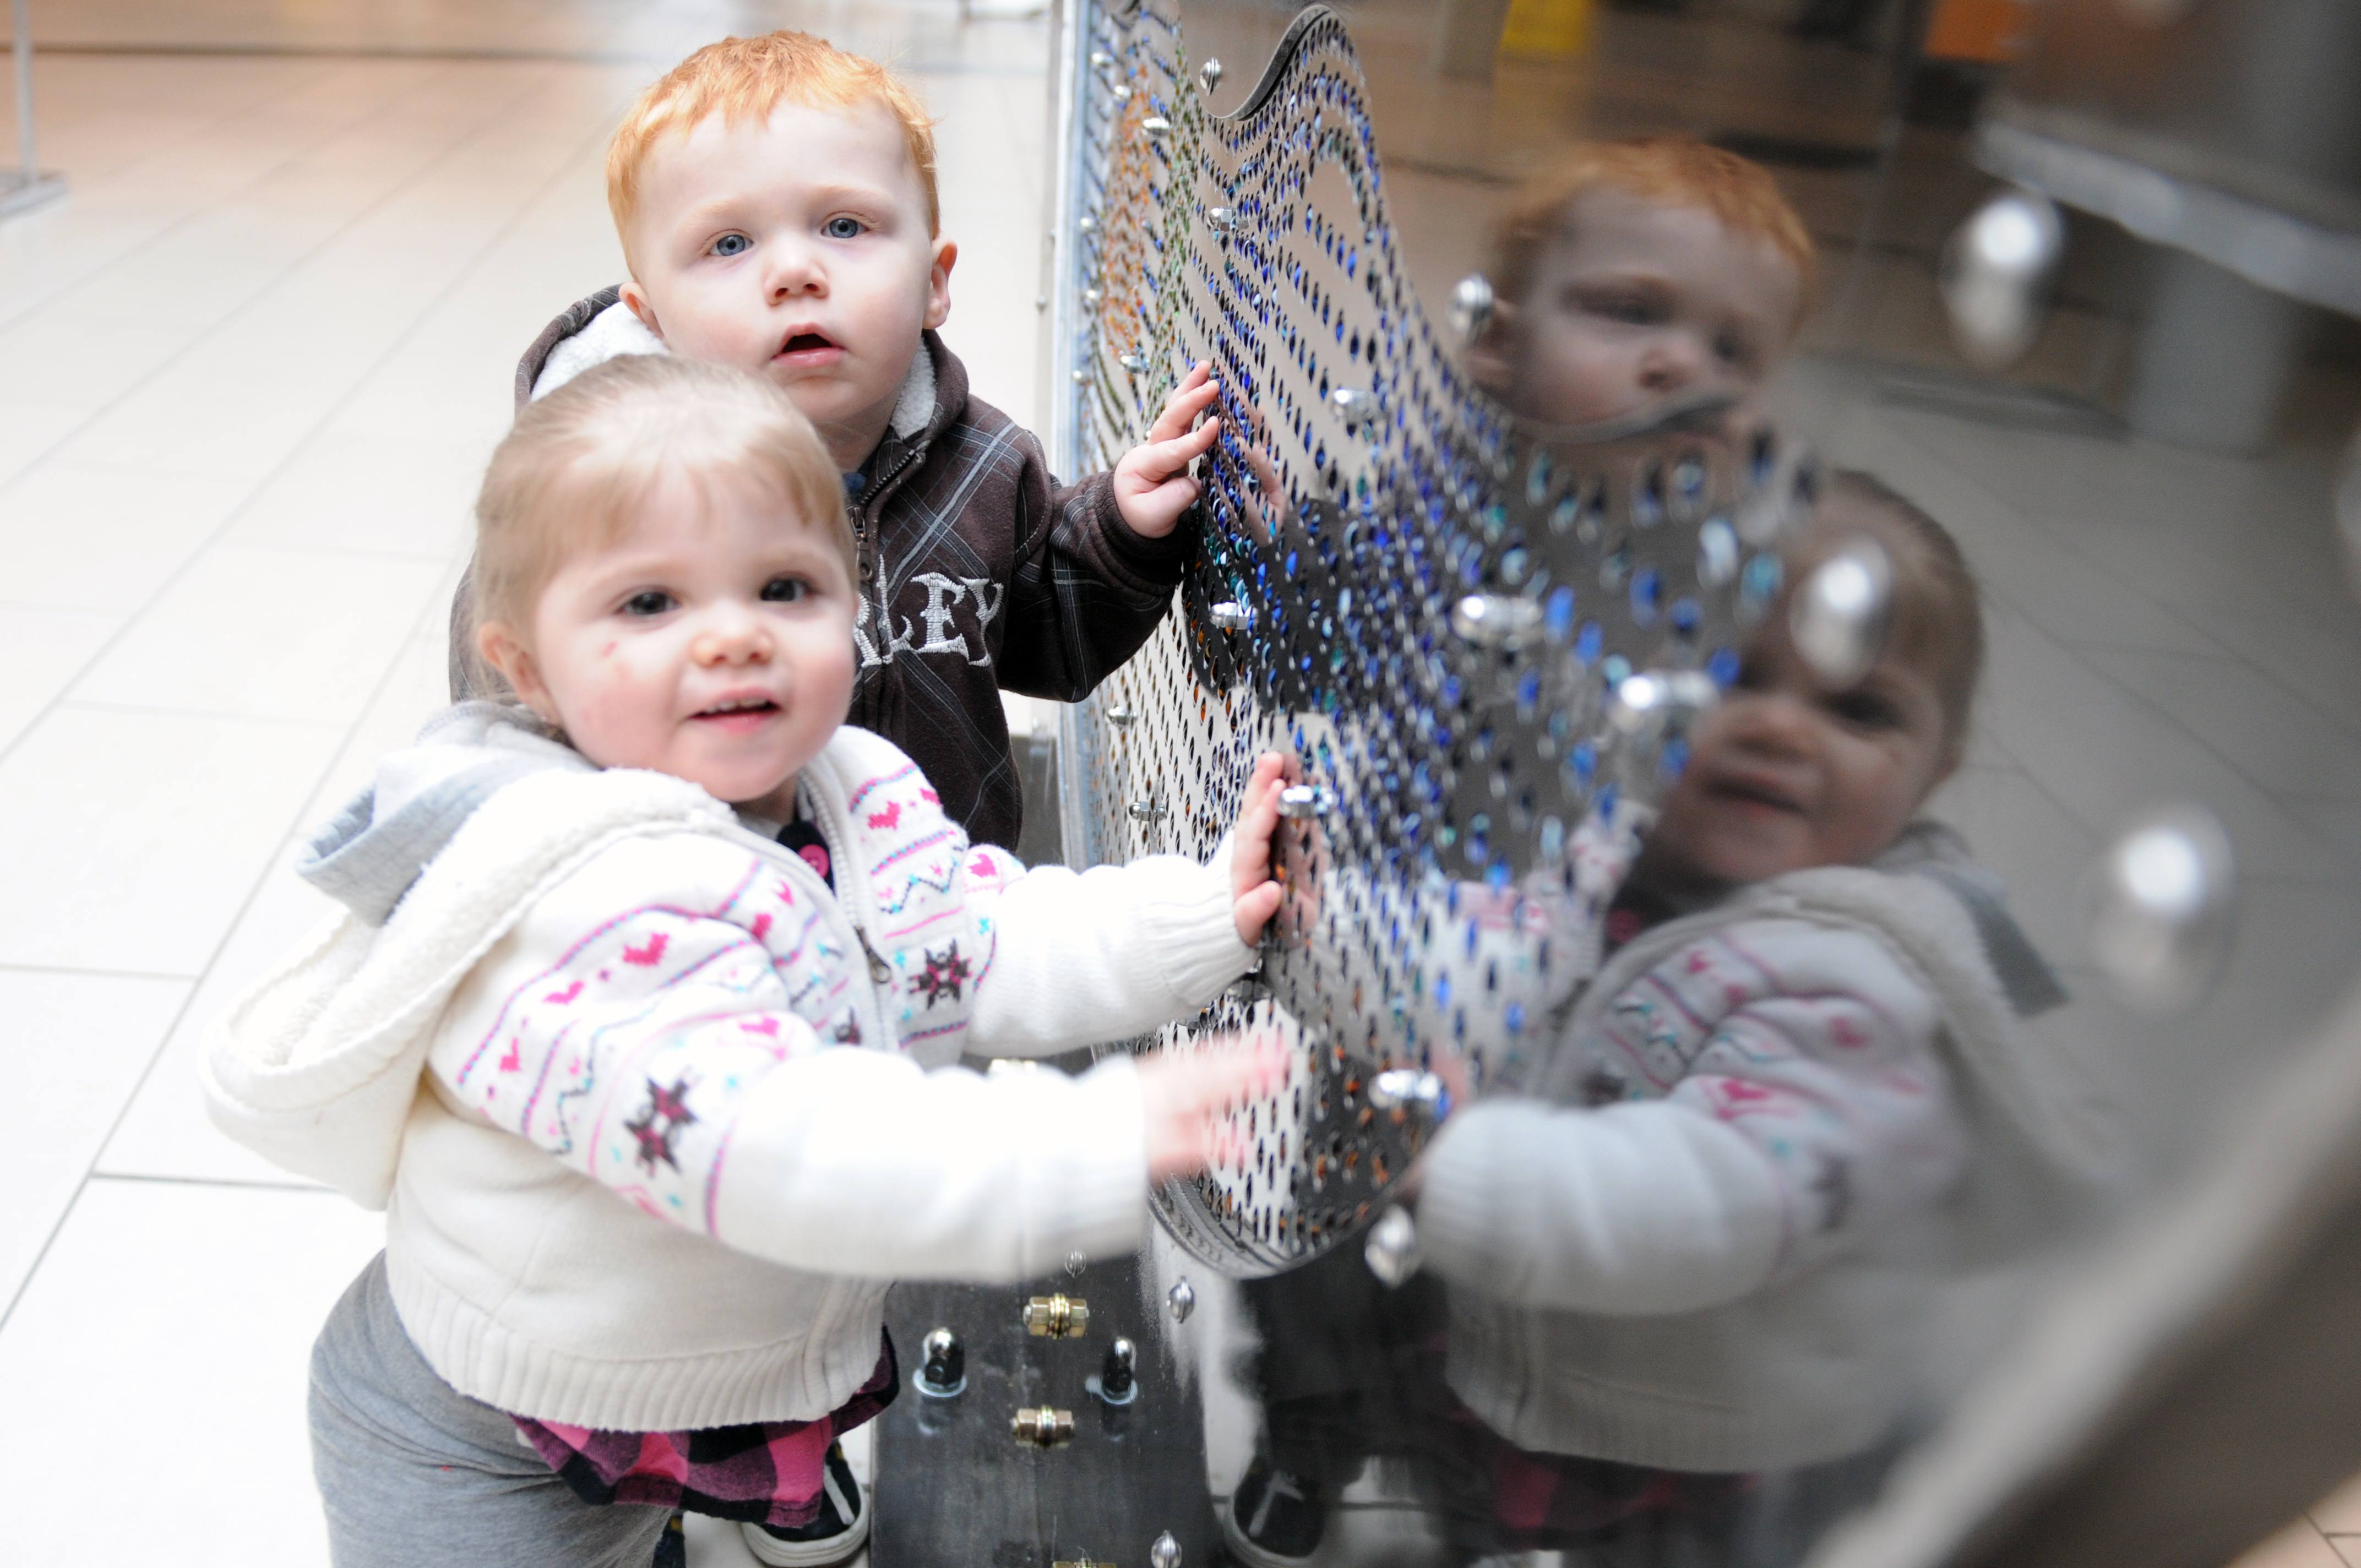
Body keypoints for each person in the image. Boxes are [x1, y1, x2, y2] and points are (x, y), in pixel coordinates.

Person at [205, 356, 1288, 1568]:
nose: (731, 638)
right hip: (481, 1443)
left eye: (783, 586)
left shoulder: (849, 791)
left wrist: (1204, 914)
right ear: (524, 668)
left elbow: (978, 941)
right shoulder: (584, 907)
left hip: (648, 1389)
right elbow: (778, 1145)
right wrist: (1097, 1139)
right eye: (648, 604)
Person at [1224, 137, 1822, 1568]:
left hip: (1576, 992)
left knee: (1477, 1261)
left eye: (1731, 345)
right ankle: (1310, 1430)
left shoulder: (1737, 560)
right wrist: (1256, 559)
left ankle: (1458, 1464)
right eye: (1632, 314)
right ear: (1496, 343)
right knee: (1324, 1222)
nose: (1686, 364)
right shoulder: (1439, 490)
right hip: (1377, 941)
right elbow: (1321, 636)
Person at [1403, 473, 2105, 1560]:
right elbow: (1483, 940)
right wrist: (1339, 937)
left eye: (1857, 707)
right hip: (1532, 1337)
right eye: (1729, 673)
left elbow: (1705, 1198)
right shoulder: (1620, 843)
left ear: (1935, 768)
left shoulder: (1860, 999)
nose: (1779, 727)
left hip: (1664, 1457)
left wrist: (1439, 1163)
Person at [448, 29, 1223, 854]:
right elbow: (508, 722)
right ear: (652, 320)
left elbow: (1052, 640)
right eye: (730, 244)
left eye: (845, 226)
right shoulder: (591, 509)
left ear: (933, 282)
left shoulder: (986, 470)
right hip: (702, 927)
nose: (794, 272)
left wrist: (1123, 530)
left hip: (935, 914)